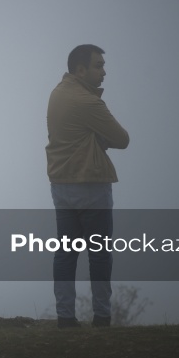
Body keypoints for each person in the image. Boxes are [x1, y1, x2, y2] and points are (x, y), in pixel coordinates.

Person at [45, 45, 130, 328]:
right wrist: (99, 139)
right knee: (100, 254)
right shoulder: (88, 102)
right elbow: (122, 138)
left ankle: (65, 317)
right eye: (98, 65)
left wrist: (94, 137)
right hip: (91, 186)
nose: (104, 71)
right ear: (81, 69)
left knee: (66, 254)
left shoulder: (57, 94)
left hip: (61, 185)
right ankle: (102, 317)